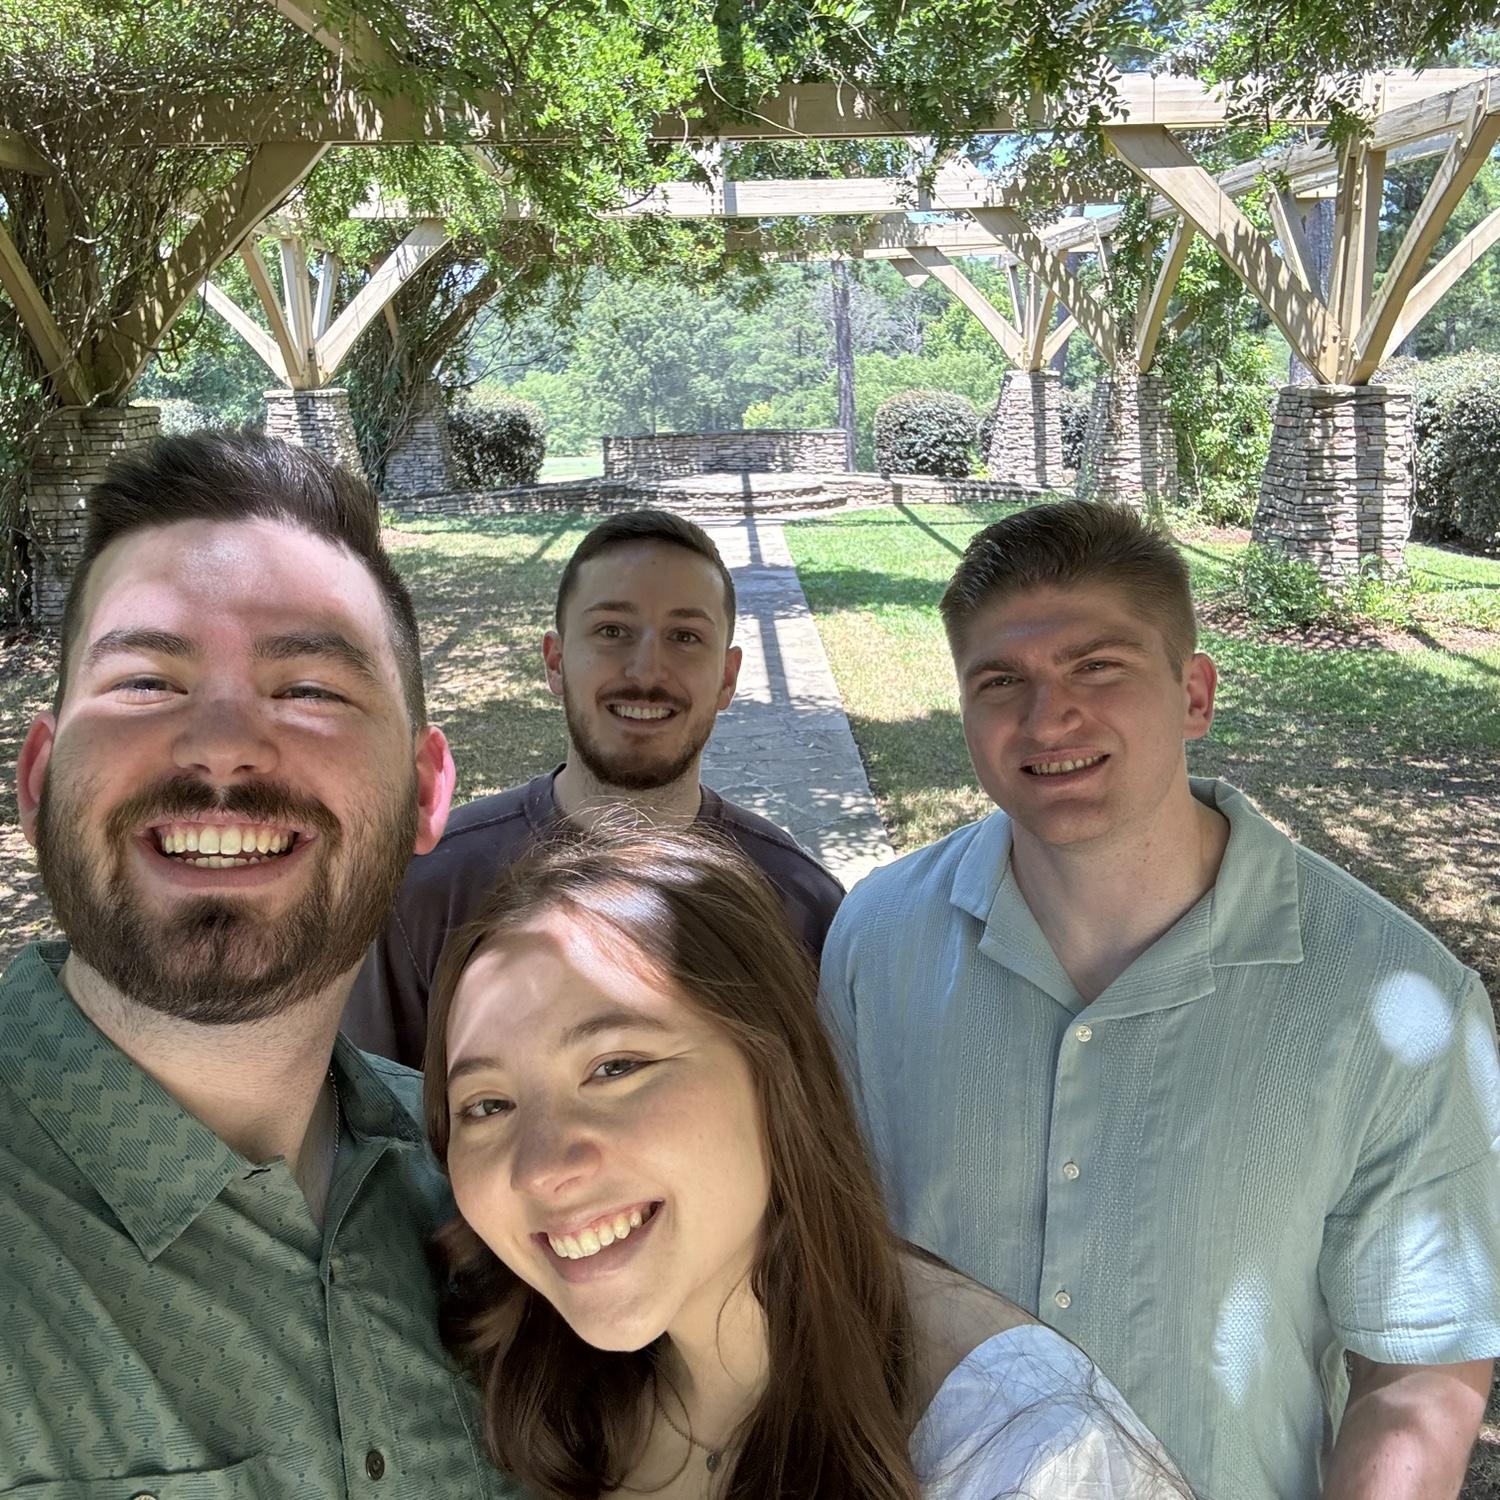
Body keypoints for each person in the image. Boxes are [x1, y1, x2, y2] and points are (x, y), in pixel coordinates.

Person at [820, 498, 1500, 1500]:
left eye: (1099, 667)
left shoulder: (1393, 1005)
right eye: (1001, 680)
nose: (1049, 718)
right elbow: (836, 1254)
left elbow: (1417, 1369)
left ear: (1194, 694)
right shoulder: (875, 941)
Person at [0, 432, 521, 1495]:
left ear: (428, 793)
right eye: (146, 681)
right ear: (40, 780)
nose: (223, 745)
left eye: (312, 690)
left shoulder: (503, 1197)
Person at [420, 824, 1187, 1499]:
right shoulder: (529, 1387)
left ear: (774, 1071)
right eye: (486, 1106)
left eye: (615, 1067)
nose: (541, 1169)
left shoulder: (1030, 1459)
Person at [343, 508, 843, 1067]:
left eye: (685, 636)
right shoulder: (431, 890)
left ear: (726, 678)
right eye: (612, 631)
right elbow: (382, 1125)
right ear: (556, 663)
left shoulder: (801, 907)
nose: (647, 671)